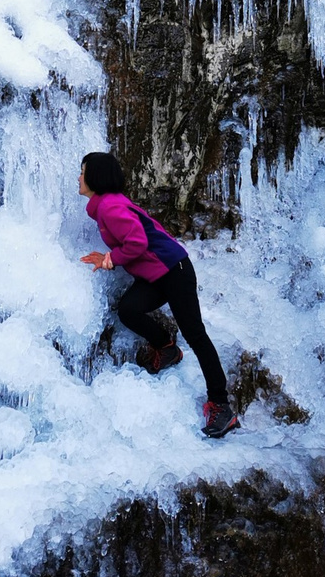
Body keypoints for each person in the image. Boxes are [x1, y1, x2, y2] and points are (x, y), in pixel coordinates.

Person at [79, 150, 239, 439]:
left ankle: (221, 406)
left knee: (195, 334)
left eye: (83, 171)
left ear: (95, 177)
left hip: (174, 271)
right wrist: (108, 257)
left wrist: (111, 259)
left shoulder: (109, 208)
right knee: (128, 309)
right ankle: (166, 349)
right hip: (156, 274)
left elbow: (137, 242)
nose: (79, 177)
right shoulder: (107, 205)